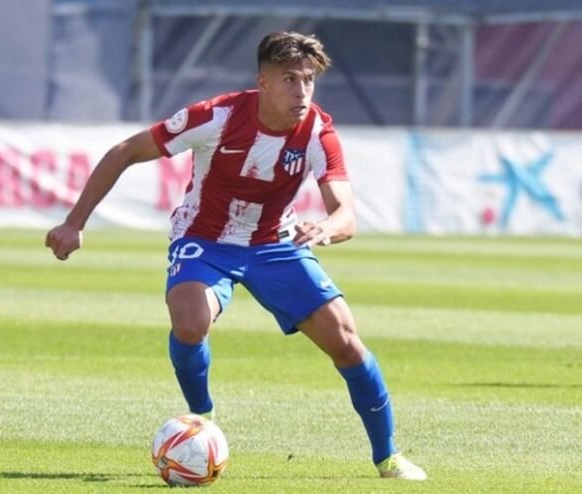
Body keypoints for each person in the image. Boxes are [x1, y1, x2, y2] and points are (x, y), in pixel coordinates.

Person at [45, 31, 426, 481]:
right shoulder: (216, 116)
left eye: (308, 80)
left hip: (275, 245)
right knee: (190, 321)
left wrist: (326, 228)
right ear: (263, 82)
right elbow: (126, 150)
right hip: (205, 239)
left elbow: (346, 213)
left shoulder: (318, 132)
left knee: (345, 340)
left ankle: (388, 457)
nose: (302, 90)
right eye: (290, 79)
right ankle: (201, 418)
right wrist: (75, 222)